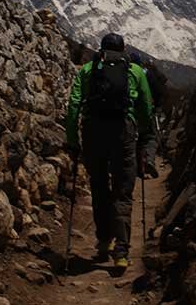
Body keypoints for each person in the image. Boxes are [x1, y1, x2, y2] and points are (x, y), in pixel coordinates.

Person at [65, 33, 154, 268]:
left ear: (102, 49)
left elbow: (74, 104)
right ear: (123, 50)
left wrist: (72, 140)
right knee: (123, 190)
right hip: (123, 132)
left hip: (93, 131)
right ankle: (122, 252)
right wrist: (145, 135)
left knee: (99, 187)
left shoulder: (87, 70)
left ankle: (104, 241)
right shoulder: (134, 71)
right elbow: (146, 105)